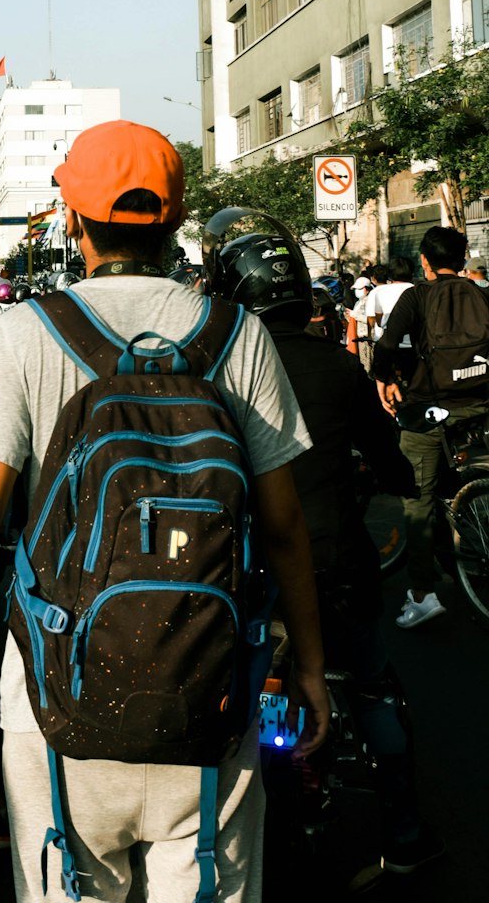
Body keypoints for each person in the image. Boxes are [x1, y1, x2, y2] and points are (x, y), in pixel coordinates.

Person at [0, 122, 328, 903]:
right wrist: (309, 668)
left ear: (71, 216)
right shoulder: (242, 336)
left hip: (56, 692)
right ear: (174, 220)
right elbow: (285, 529)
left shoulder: (26, 333)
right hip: (213, 683)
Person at [208, 220, 442, 876]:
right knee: (372, 691)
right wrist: (391, 477)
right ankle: (404, 834)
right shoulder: (337, 366)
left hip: (238, 574)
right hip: (335, 568)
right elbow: (392, 462)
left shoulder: (212, 368)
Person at [373, 225, 489, 629]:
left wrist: (382, 378)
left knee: (418, 499)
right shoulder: (482, 293)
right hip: (479, 407)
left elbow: (387, 345)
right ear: (462, 260)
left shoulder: (417, 295)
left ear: (425, 260)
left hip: (430, 410)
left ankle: (422, 593)